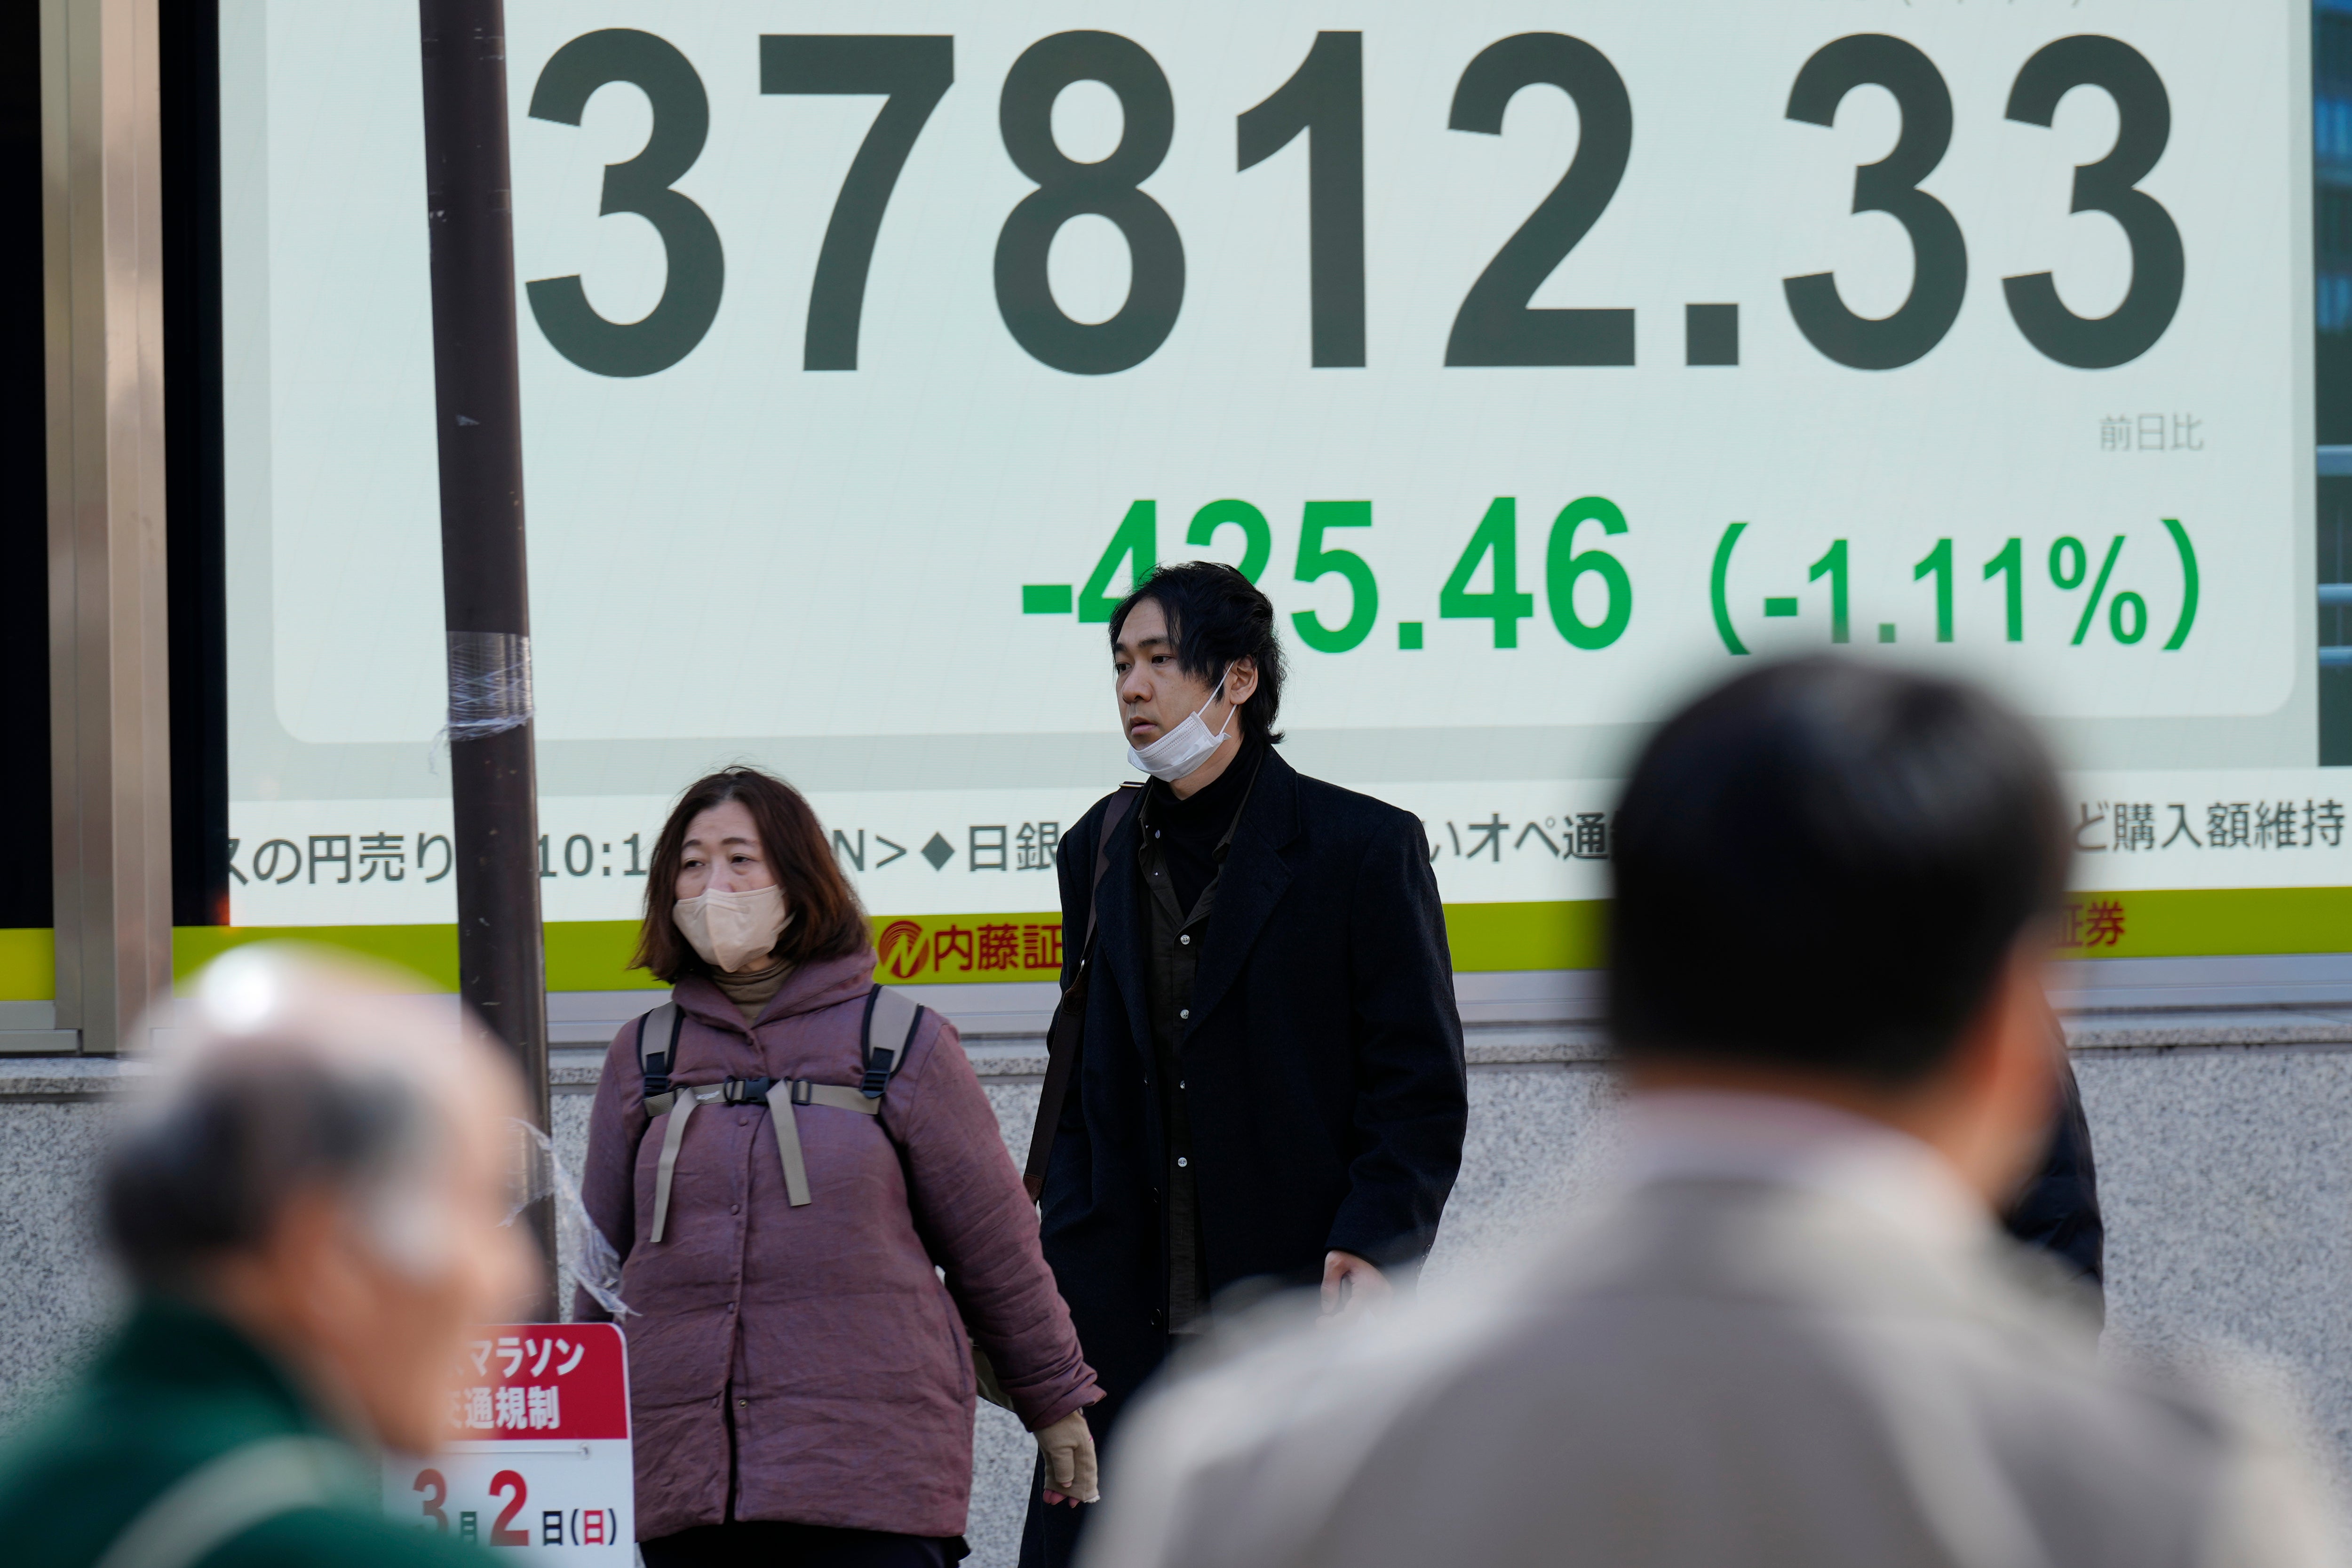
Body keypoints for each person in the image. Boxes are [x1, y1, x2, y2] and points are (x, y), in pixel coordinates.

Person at [1082, 657, 2345, 1568]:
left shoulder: (1258, 1461)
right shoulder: (2166, 1489)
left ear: (1620, 989)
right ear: (2015, 1032)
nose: (1134, 681)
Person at [1025, 562, 1469, 1566]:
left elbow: (1416, 1083)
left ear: (1236, 680)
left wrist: (1374, 1235)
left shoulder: (1360, 846)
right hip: (1119, 1312)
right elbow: (1087, 1075)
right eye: (1121, 663)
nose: (1132, 687)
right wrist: (1065, 1252)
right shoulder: (1094, 847)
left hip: (1291, 1298)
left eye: (1158, 661)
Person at [576, 767, 1101, 1567]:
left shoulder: (897, 1040)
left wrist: (1056, 1403)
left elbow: (996, 1249)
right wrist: (571, 1432)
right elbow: (600, 1272)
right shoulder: (644, 1054)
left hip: (871, 1482)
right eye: (692, 862)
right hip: (688, 1487)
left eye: (741, 860)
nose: (714, 884)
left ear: (798, 877)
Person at [0, 944, 538, 1568]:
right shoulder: (362, 1553)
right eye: (479, 1205)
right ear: (329, 1253)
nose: (513, 1276)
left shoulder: (33, 1486)